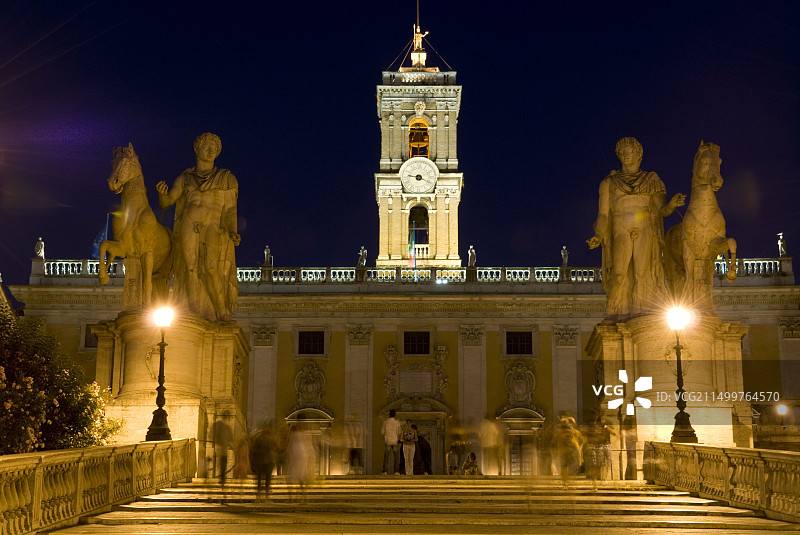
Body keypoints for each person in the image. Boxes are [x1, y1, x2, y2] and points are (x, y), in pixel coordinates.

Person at [586, 137, 685, 319]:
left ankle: (640, 314)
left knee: (642, 273)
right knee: (618, 274)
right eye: (622, 151)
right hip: (620, 228)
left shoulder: (651, 180)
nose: (625, 154)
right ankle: (615, 310)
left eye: (629, 150)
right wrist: (599, 235)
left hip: (644, 228)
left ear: (638, 154)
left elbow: (661, 209)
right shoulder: (609, 183)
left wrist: (671, 204)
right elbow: (603, 215)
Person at [156, 133, 240, 322]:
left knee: (211, 268)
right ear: (197, 149)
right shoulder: (185, 178)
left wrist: (233, 231)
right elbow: (168, 201)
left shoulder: (226, 178)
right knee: (189, 268)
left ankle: (221, 311)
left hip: (212, 225)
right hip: (189, 221)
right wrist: (162, 194)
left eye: (214, 148)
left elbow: (230, 210)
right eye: (206, 146)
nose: (211, 151)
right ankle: (193, 312)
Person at [551, 416, 584, 489]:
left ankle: (565, 483)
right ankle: (567, 483)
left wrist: (555, 452)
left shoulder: (559, 432)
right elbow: (581, 440)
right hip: (572, 452)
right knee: (570, 468)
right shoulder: (575, 432)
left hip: (563, 452)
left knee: (564, 468)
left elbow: (554, 442)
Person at [249, 423, 277, 502]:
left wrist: (254, 461)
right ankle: (266, 498)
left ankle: (258, 498)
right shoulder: (272, 438)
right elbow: (276, 448)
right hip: (270, 460)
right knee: (268, 480)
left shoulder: (258, 438)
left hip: (261, 460)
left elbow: (254, 450)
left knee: (259, 479)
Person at [212, 419, 233, 490]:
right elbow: (231, 438)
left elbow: (212, 436)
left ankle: (221, 478)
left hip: (219, 449)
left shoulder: (216, 426)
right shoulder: (227, 427)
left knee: (220, 464)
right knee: (222, 464)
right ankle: (222, 478)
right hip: (223, 449)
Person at [381, 409, 402, 475]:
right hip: (395, 440)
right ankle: (396, 471)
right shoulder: (397, 423)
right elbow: (399, 432)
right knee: (396, 457)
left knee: (386, 457)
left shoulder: (385, 422)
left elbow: (382, 432)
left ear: (389, 414)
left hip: (387, 441)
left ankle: (384, 471)